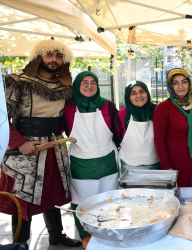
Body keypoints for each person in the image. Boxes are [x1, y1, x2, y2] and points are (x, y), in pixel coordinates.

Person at [0, 39, 81, 247]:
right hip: (24, 149)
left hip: (54, 147)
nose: (54, 59)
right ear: (38, 56)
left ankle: (56, 235)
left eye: (59, 56)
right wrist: (19, 142)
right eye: (49, 54)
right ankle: (19, 242)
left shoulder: (64, 87)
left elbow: (66, 117)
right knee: (23, 195)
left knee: (52, 191)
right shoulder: (17, 81)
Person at [62, 71, 121, 248]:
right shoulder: (68, 108)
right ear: (77, 86)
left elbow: (117, 132)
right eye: (84, 82)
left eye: (93, 82)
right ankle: (85, 235)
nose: (89, 86)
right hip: (80, 160)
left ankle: (110, 231)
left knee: (109, 199)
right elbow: (63, 129)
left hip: (107, 160)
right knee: (81, 200)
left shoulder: (108, 106)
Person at [153, 68, 192, 187]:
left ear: (189, 83)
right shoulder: (163, 108)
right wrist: (167, 168)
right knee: (181, 199)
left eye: (184, 81)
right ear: (170, 85)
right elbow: (159, 141)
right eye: (175, 83)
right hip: (177, 164)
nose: (180, 86)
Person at [117, 81, 160, 174]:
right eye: (133, 93)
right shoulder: (121, 115)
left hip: (155, 165)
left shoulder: (158, 112)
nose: (138, 95)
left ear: (147, 94)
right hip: (128, 166)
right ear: (128, 96)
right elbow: (116, 138)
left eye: (142, 91)